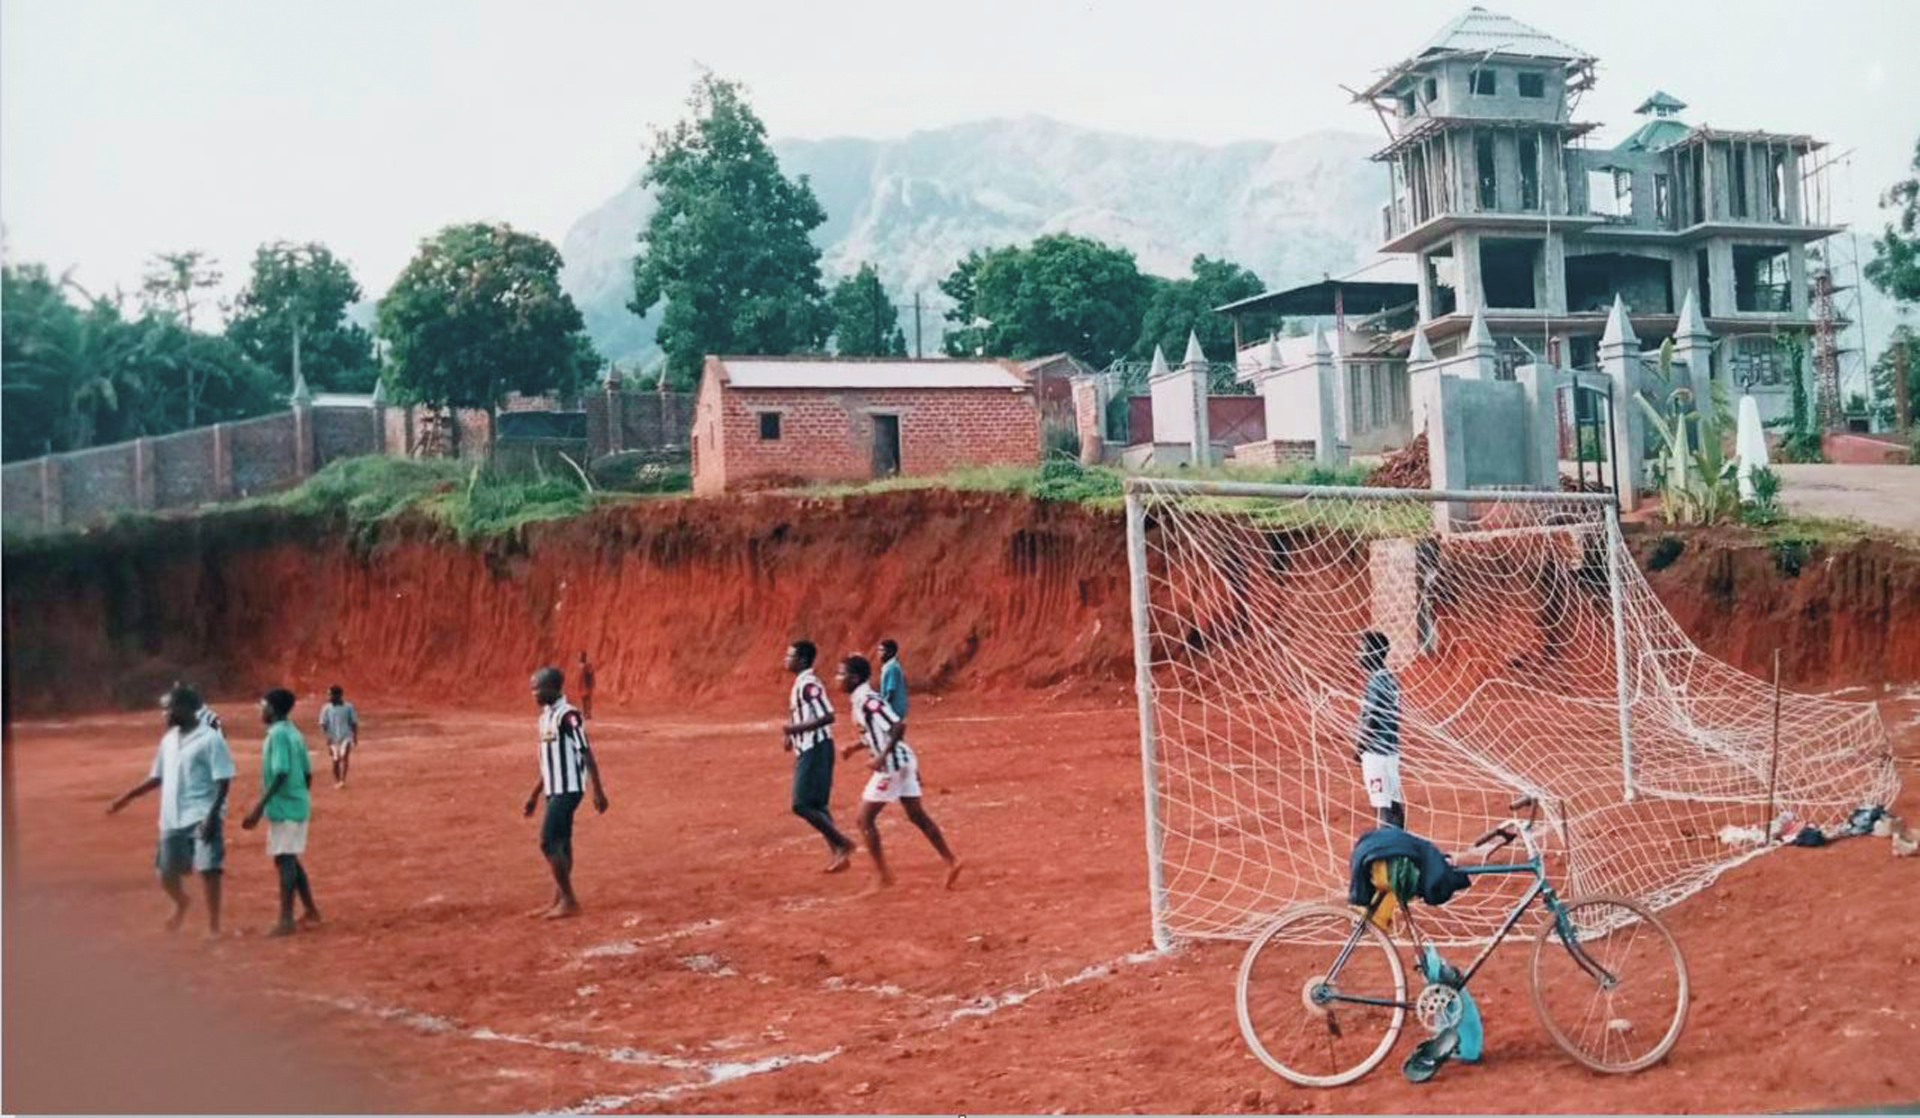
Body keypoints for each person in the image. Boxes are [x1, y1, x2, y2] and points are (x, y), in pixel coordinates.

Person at [108, 684, 236, 938]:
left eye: (168, 708)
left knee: (209, 869)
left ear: (187, 708)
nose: (164, 714)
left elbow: (223, 780)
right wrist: (127, 797)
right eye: (163, 710)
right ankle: (181, 903)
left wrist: (212, 815)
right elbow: (157, 777)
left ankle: (214, 927)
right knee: (166, 873)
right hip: (172, 817)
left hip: (202, 814)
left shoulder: (210, 739)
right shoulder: (168, 741)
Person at [835, 654, 960, 890]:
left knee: (864, 819)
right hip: (902, 761)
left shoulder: (868, 700)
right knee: (917, 816)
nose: (837, 679)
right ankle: (951, 861)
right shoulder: (860, 699)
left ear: (855, 678)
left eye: (841, 674)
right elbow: (876, 733)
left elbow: (897, 726)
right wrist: (855, 746)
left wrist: (881, 756)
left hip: (891, 765)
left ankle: (883, 877)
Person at [523, 666, 608, 919]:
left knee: (547, 842)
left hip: (569, 789)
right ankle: (558, 899)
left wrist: (598, 791)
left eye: (538, 688)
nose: (534, 693)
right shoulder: (545, 717)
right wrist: (535, 794)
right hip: (553, 788)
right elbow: (548, 762)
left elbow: (585, 751)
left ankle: (569, 900)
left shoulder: (568, 715)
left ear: (553, 688)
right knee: (562, 842)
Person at [241, 688, 321, 936]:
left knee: (285, 859)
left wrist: (258, 807)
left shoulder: (277, 735)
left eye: (263, 706)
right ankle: (310, 910)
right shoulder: (294, 731)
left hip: (285, 806)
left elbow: (281, 772)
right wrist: (301, 797)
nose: (260, 710)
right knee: (290, 857)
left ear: (272, 709)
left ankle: (285, 920)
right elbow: (307, 773)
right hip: (297, 804)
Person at [782, 641, 854, 873]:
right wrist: (792, 735)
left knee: (800, 804)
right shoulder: (801, 684)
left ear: (802, 660)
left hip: (816, 747)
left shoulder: (809, 684)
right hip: (809, 747)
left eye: (790, 655)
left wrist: (796, 730)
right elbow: (801, 713)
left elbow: (827, 716)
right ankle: (838, 852)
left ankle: (843, 843)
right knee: (817, 804)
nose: (786, 659)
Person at [1354, 630, 1406, 829]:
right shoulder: (1390, 678)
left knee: (1381, 806)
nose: (1357, 655)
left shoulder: (1376, 682)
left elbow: (1372, 719)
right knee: (1394, 804)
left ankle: (1387, 850)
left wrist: (1360, 748)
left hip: (1376, 752)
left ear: (1373, 652)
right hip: (1391, 751)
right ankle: (1401, 845)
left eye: (1361, 650)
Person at [318, 685, 359, 789]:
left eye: (330, 694)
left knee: (345, 756)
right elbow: (323, 724)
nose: (328, 697)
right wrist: (327, 737)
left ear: (338, 695)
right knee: (335, 760)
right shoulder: (326, 708)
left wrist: (354, 736)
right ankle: (337, 780)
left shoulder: (348, 707)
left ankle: (342, 780)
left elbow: (353, 722)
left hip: (346, 736)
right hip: (333, 738)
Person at [876, 638, 908, 719]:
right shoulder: (889, 666)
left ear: (890, 652)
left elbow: (891, 692)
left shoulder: (892, 667)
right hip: (893, 708)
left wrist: (882, 707)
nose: (879, 653)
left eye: (882, 650)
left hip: (894, 709)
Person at [579, 652, 596, 720]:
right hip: (584, 686)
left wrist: (590, 684)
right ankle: (586, 714)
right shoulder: (582, 665)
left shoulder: (586, 665)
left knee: (587, 700)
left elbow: (590, 674)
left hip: (586, 686)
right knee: (584, 700)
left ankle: (587, 714)